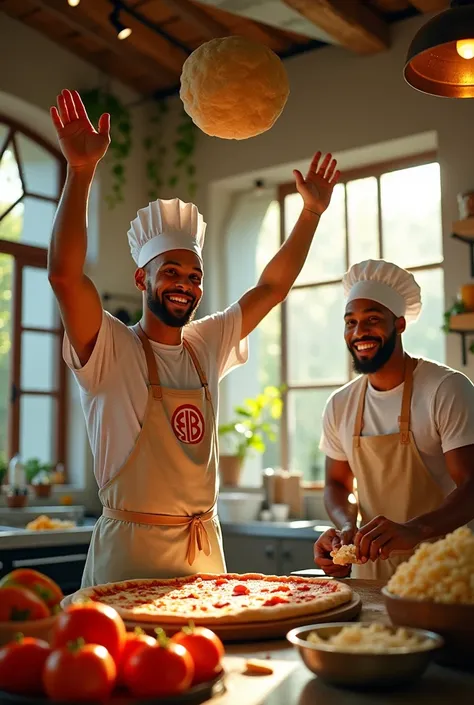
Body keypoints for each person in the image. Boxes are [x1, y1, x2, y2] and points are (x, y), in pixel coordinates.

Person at [48, 89, 340, 587]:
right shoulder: (111, 347)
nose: (186, 284)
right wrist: (80, 172)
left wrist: (310, 213)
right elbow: (64, 277)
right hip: (129, 557)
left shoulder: (205, 345)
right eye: (172, 271)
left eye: (195, 275)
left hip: (204, 556)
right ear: (142, 280)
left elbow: (270, 288)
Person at [314, 259, 474, 580]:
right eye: (351, 322)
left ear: (399, 324)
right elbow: (337, 482)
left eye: (372, 320)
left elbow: (472, 484)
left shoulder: (446, 389)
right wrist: (347, 527)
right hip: (370, 577)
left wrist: (415, 529)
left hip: (443, 572)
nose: (360, 332)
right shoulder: (340, 404)